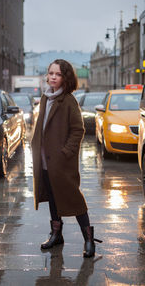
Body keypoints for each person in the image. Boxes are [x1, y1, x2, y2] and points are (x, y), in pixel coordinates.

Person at [31, 59, 102, 258]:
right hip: (45, 159)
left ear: (65, 78)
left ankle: (88, 239)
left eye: (58, 74)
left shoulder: (68, 100)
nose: (53, 77)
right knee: (53, 199)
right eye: (50, 73)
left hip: (61, 162)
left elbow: (78, 130)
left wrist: (65, 153)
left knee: (74, 199)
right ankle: (56, 234)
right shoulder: (46, 97)